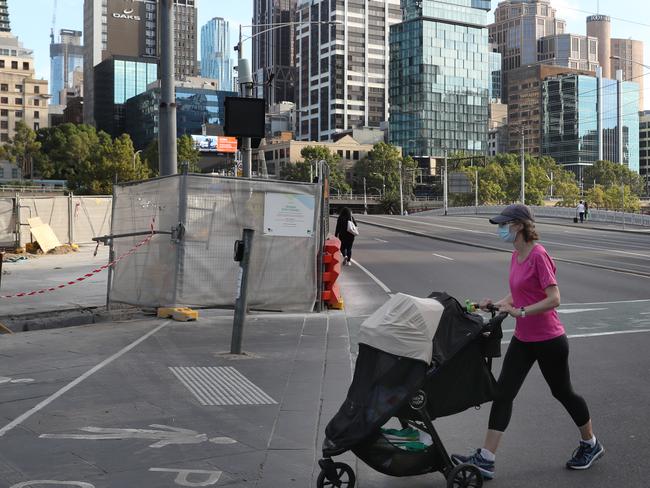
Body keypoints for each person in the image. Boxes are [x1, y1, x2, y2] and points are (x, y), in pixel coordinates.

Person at [452, 204, 603, 480]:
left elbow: (554, 298)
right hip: (524, 339)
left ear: (518, 225)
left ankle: (590, 443)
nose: (499, 229)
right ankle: (486, 459)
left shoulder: (539, 255)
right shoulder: (516, 256)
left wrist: (520, 312)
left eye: (503, 225)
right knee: (503, 394)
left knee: (563, 393)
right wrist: (496, 305)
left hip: (549, 340)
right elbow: (518, 293)